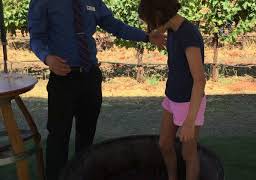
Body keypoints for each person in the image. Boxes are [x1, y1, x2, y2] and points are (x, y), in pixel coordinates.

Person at [28, 0, 165, 179]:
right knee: (58, 137)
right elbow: (36, 37)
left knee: (87, 135)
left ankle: (82, 175)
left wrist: (146, 37)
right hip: (62, 80)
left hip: (90, 77)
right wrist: (47, 58)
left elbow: (114, 25)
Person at [138, 0, 206, 180]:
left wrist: (190, 122)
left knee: (188, 154)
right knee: (165, 144)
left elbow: (199, 80)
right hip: (172, 97)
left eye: (149, 21)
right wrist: (155, 33)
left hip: (189, 102)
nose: (149, 26)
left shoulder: (188, 34)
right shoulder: (172, 29)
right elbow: (155, 32)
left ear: (159, 15)